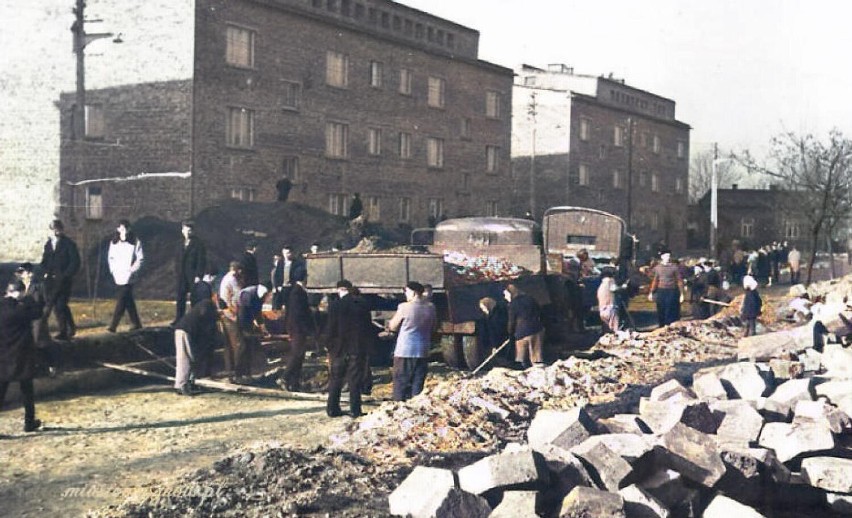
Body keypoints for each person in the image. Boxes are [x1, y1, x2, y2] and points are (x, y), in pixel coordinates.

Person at [0, 280, 45, 432]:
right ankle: (29, 421)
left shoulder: (3, 308)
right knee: (27, 390)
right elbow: (38, 311)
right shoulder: (22, 310)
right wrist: (28, 298)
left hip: (3, 354)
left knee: (1, 392)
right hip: (22, 353)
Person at [325, 280, 373, 417]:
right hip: (356, 348)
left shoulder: (335, 305)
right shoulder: (362, 304)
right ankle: (355, 410)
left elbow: (330, 328)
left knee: (335, 379)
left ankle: (332, 408)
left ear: (339, 289)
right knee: (354, 379)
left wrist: (329, 346)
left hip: (339, 349)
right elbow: (367, 328)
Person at [387, 281, 437, 401]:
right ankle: (415, 409)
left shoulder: (404, 307)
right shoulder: (431, 307)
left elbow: (393, 326)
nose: (406, 294)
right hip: (423, 350)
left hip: (405, 350)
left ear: (414, 293)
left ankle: (398, 408)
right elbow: (434, 326)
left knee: (400, 383)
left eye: (407, 292)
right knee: (418, 384)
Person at [173, 274, 219, 396]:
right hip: (185, 330)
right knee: (185, 358)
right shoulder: (208, 305)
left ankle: (188, 382)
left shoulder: (204, 305)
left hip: (184, 329)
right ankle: (181, 385)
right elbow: (205, 324)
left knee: (191, 357)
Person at [15, 263, 58, 377]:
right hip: (24, 319)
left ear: (29, 273)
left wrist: (44, 316)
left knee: (40, 342)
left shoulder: (39, 286)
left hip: (37, 318)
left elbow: (47, 302)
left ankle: (51, 365)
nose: (21, 275)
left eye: (23, 272)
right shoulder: (19, 286)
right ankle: (34, 367)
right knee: (27, 343)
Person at [40, 219, 80, 340]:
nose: (54, 232)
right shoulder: (48, 244)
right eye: (52, 230)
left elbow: (75, 262)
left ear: (59, 230)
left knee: (60, 305)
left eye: (56, 229)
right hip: (50, 281)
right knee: (54, 305)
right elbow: (44, 261)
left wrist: (66, 275)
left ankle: (64, 331)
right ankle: (70, 327)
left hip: (63, 281)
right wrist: (45, 273)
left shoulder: (68, 244)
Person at [278, 272, 315, 391]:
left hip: (297, 327)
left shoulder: (298, 291)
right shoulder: (297, 293)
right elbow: (299, 314)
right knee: (297, 353)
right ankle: (285, 377)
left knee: (300, 354)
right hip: (298, 328)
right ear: (304, 278)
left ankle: (294, 382)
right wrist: (308, 328)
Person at [107, 219, 144, 333]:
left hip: (128, 275)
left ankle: (113, 325)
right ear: (118, 229)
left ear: (129, 229)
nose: (124, 232)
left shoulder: (135, 242)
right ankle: (136, 323)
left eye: (126, 229)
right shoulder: (114, 242)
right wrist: (113, 270)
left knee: (122, 299)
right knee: (128, 300)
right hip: (118, 274)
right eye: (122, 229)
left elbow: (140, 258)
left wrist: (132, 270)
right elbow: (111, 258)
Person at [173, 221, 206, 325]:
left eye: (190, 230)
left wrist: (198, 275)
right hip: (181, 274)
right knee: (180, 297)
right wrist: (177, 271)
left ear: (193, 231)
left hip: (193, 274)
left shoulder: (198, 244)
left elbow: (201, 260)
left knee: (194, 298)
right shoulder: (179, 243)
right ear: (182, 230)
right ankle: (179, 319)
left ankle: (195, 319)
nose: (187, 232)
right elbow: (177, 259)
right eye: (185, 230)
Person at [505, 283, 545, 368]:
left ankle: (522, 367)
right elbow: (539, 311)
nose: (505, 297)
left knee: (520, 355)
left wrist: (510, 332)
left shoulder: (513, 304)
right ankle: (538, 369)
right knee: (536, 355)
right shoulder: (530, 299)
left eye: (505, 295)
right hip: (536, 329)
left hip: (521, 332)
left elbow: (512, 321)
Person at [235, 283, 268, 383]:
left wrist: (263, 328)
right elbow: (243, 314)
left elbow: (258, 313)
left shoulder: (259, 297)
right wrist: (246, 330)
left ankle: (247, 373)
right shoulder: (247, 295)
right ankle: (239, 374)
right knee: (243, 348)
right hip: (242, 323)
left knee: (249, 349)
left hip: (248, 323)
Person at [218, 261, 243, 380]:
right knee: (238, 345)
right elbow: (238, 297)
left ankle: (230, 372)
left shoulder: (225, 278)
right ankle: (237, 373)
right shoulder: (232, 280)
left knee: (228, 345)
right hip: (231, 315)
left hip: (225, 314)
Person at [648, 250, 684, 327]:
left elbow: (679, 280)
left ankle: (670, 326)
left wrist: (681, 294)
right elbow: (655, 280)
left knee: (670, 309)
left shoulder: (674, 267)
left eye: (669, 256)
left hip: (672, 291)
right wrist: (651, 292)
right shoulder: (658, 268)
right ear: (662, 257)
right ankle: (661, 326)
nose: (668, 258)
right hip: (661, 291)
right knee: (661, 309)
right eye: (666, 256)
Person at [478, 297, 509, 361]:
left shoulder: (498, 314)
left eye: (483, 308)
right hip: (496, 342)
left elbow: (497, 331)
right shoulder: (489, 315)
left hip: (501, 341)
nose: (483, 310)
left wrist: (495, 345)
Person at [597, 269, 619, 333]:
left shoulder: (601, 285)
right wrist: (623, 287)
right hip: (610, 308)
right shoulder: (610, 280)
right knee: (615, 331)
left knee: (606, 331)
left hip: (602, 309)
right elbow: (614, 289)